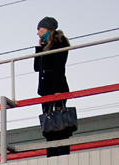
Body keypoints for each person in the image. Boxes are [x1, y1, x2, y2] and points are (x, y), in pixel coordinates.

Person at [33, 16, 72, 157]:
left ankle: (61, 152)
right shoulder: (45, 45)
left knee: (59, 121)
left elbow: (58, 67)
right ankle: (51, 152)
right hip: (46, 90)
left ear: (48, 28)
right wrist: (39, 48)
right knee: (49, 122)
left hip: (56, 88)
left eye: (40, 29)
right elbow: (37, 67)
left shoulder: (59, 42)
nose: (37, 32)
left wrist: (57, 90)